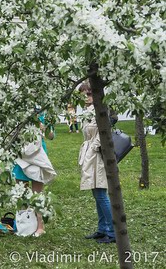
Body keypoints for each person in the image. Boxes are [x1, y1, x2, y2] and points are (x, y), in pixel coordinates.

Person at [78, 82, 115, 244]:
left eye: (89, 94)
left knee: (100, 193)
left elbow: (103, 132)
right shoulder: (87, 111)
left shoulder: (100, 109)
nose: (86, 97)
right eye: (83, 95)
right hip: (90, 153)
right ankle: (102, 229)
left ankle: (113, 232)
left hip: (98, 154)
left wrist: (94, 147)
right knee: (96, 192)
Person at [13, 113, 56, 236]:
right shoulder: (18, 113)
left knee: (37, 193)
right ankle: (24, 225)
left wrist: (44, 127)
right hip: (21, 155)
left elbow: (51, 136)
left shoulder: (44, 113)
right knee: (21, 192)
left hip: (37, 156)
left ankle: (40, 225)